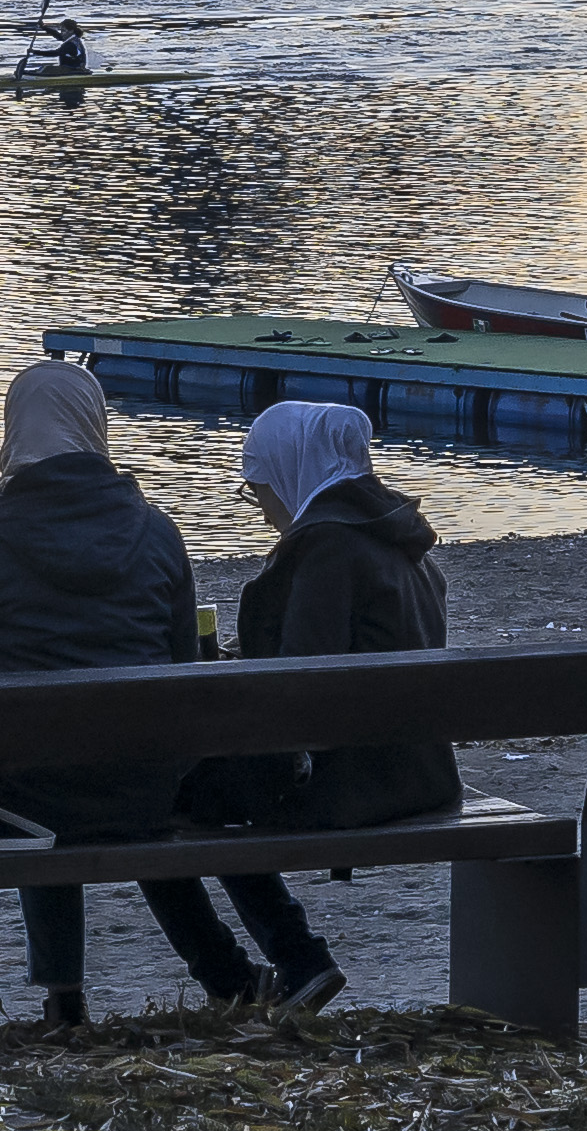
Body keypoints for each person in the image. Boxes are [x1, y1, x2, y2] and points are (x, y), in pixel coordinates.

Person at [0, 359, 199, 1031]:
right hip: (140, 794)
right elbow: (187, 673)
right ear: (95, 426)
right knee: (51, 760)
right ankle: (65, 1002)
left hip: (23, 803)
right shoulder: (158, 531)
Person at [147, 402, 460, 1017]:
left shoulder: (326, 547)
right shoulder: (401, 540)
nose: (261, 505)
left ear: (292, 470)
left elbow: (297, 692)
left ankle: (273, 968)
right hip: (420, 772)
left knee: (155, 805)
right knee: (201, 795)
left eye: (258, 486)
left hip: (356, 783)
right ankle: (290, 961)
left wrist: (227, 682)